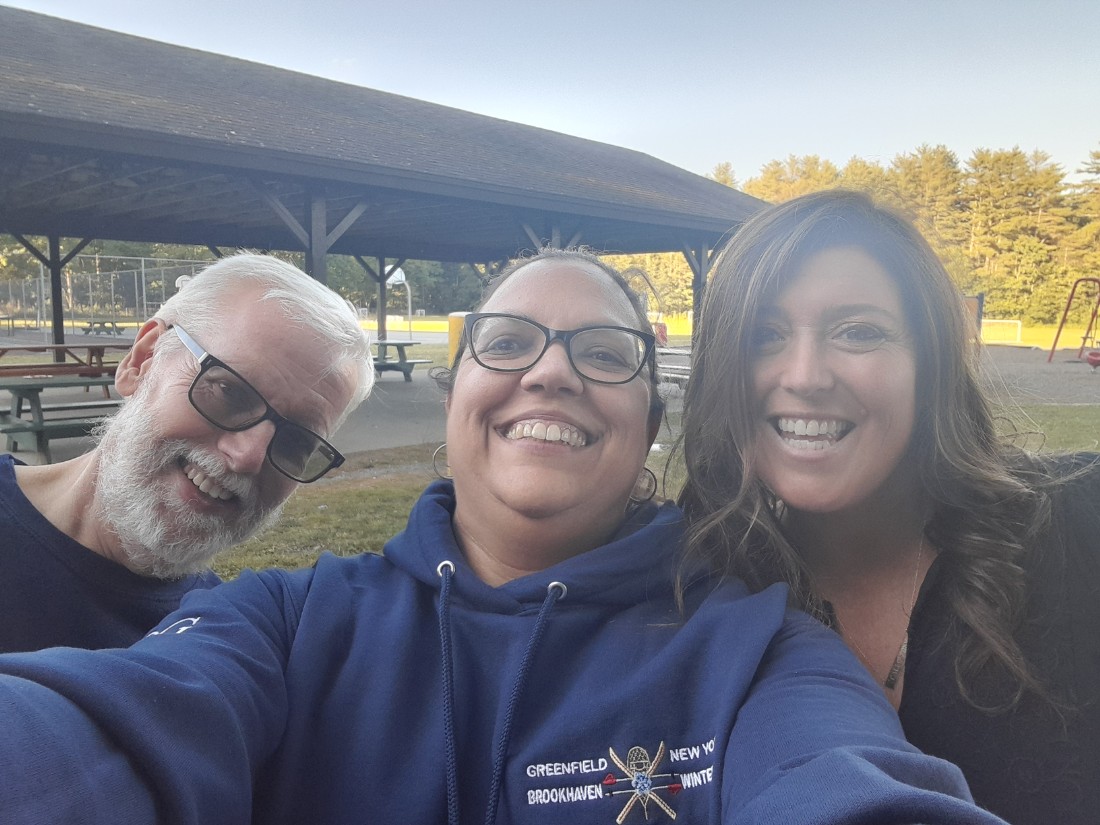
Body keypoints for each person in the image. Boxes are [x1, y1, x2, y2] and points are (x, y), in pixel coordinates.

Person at [0, 248, 1006, 825]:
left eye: (602, 354)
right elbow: (105, 735)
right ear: (456, 400)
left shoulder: (759, 651)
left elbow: (842, 786)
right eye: (509, 342)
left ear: (646, 426)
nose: (551, 374)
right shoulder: (286, 623)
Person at [677, 190, 1100, 825]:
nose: (806, 376)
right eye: (764, 334)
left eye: (859, 332)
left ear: (930, 362)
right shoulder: (696, 585)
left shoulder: (1077, 524)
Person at [0, 252, 373, 653]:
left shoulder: (218, 645)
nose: (248, 457)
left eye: (298, 442)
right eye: (228, 390)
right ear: (142, 360)